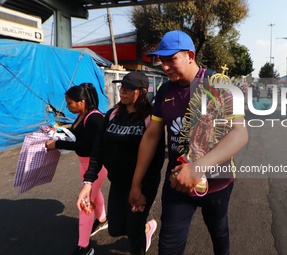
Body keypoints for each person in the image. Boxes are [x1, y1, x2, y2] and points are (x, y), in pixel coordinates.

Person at [128, 30, 249, 255]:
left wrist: (197, 168)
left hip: (217, 182)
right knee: (168, 246)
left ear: (190, 55)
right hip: (177, 182)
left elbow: (240, 133)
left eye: (171, 59)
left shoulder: (219, 84)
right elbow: (152, 135)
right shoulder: (164, 90)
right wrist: (136, 183)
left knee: (219, 232)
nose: (164, 66)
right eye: (161, 60)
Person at [76, 72, 165, 255]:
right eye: (121, 88)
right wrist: (88, 183)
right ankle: (146, 228)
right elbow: (98, 150)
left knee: (133, 232)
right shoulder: (112, 115)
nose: (122, 92)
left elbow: (156, 161)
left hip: (142, 186)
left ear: (140, 92)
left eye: (128, 89)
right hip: (118, 183)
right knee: (115, 229)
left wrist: (139, 188)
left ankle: (141, 234)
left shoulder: (150, 118)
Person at [45, 83, 108, 255]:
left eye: (69, 102)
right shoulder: (82, 115)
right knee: (95, 194)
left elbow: (86, 146)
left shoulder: (95, 118)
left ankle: (84, 247)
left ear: (82, 102)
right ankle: (102, 219)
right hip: (84, 165)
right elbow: (78, 136)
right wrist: (59, 132)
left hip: (95, 168)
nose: (67, 106)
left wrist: (57, 143)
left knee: (84, 204)